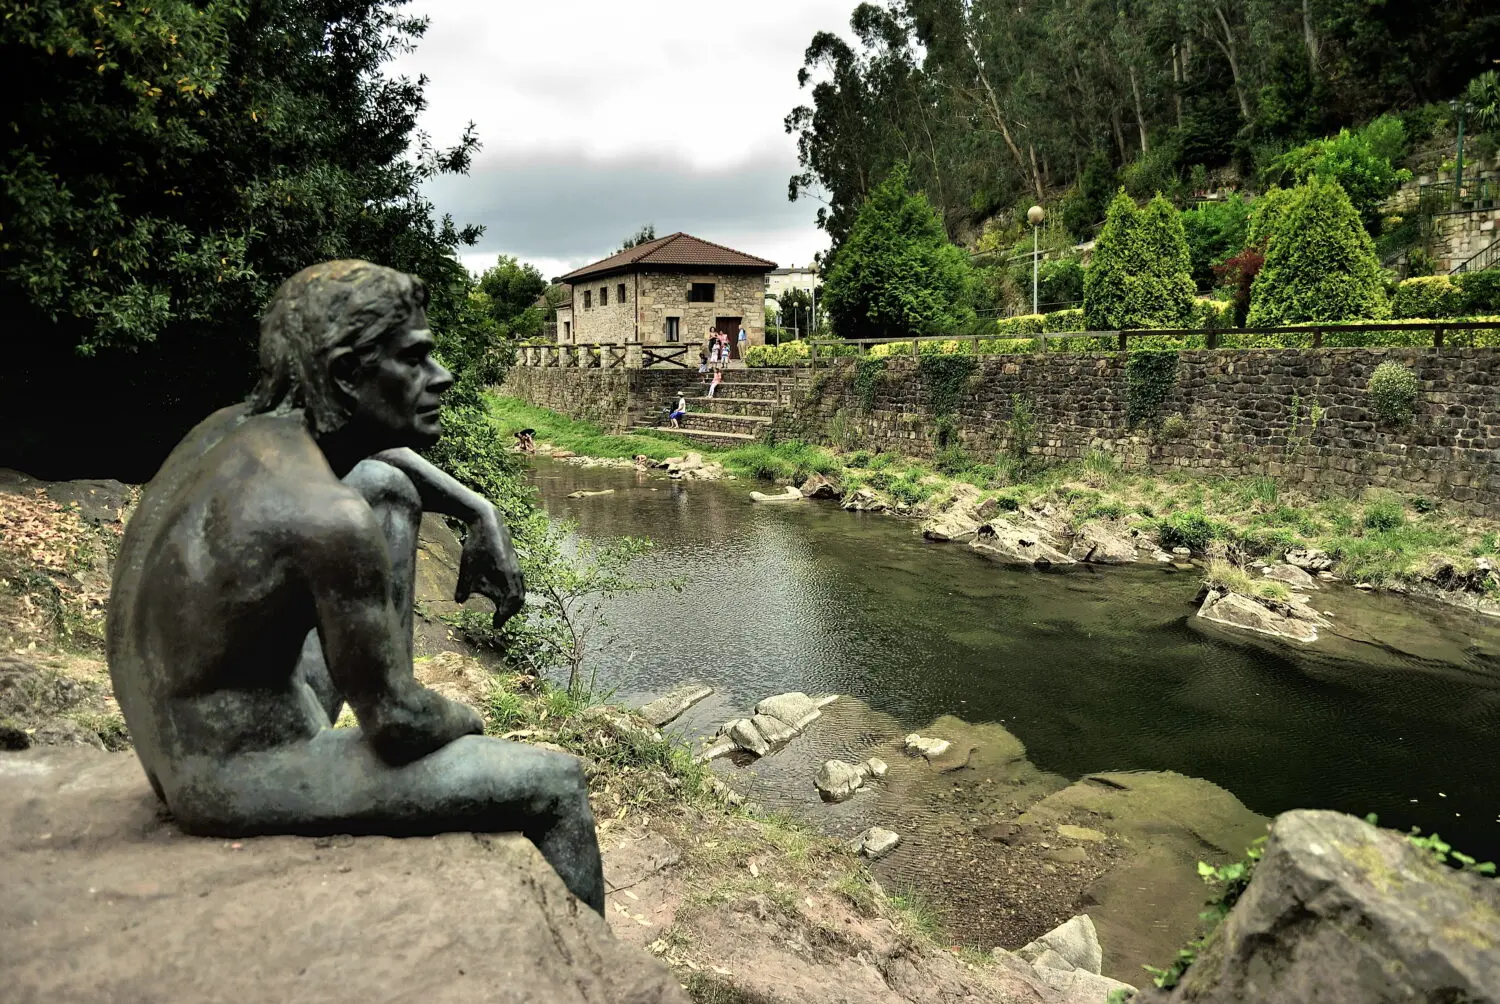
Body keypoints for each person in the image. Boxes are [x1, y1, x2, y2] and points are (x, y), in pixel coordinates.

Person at [106, 260, 604, 914]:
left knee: (387, 487)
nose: (440, 376)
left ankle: (386, 674)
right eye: (416, 358)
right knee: (558, 785)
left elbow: (374, 453)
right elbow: (400, 728)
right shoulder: (327, 519)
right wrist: (466, 722)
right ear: (346, 374)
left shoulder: (231, 428)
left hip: (181, 733)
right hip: (233, 773)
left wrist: (478, 508)